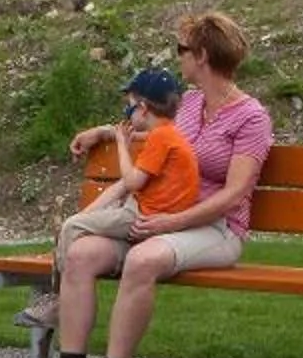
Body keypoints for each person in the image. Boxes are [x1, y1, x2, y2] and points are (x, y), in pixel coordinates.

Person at [30, 11, 274, 358]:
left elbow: (234, 195)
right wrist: (104, 132)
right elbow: (152, 129)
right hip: (155, 218)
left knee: (143, 261)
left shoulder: (251, 118)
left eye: (182, 50)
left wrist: (168, 223)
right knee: (84, 253)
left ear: (201, 56)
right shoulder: (191, 103)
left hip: (213, 229)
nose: (177, 58)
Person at [13, 67, 199, 339]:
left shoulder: (161, 137)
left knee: (72, 227)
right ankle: (61, 300)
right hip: (148, 213)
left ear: (144, 109)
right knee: (79, 224)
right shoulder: (170, 134)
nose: (127, 115)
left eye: (128, 109)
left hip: (143, 217)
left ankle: (59, 301)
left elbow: (133, 181)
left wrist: (122, 143)